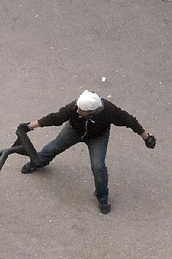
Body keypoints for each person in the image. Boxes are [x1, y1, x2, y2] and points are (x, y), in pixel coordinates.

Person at [17, 90, 155, 214]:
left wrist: (146, 137)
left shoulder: (109, 111)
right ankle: (38, 162)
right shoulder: (74, 107)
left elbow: (130, 121)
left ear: (93, 112)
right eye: (78, 108)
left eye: (81, 111)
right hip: (74, 131)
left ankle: (102, 197)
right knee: (53, 147)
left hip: (98, 137)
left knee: (98, 166)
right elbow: (55, 118)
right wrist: (29, 126)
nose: (77, 111)